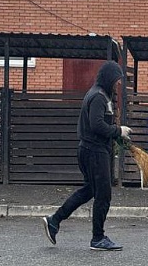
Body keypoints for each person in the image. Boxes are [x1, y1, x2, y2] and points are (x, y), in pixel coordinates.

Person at [43, 61, 131, 251]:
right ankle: (98, 238)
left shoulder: (97, 94)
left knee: (90, 190)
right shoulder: (98, 97)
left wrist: (116, 136)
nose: (118, 84)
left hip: (89, 150)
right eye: (116, 80)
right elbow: (96, 125)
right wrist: (118, 131)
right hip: (94, 152)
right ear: (109, 78)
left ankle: (54, 221)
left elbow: (99, 125)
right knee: (103, 195)